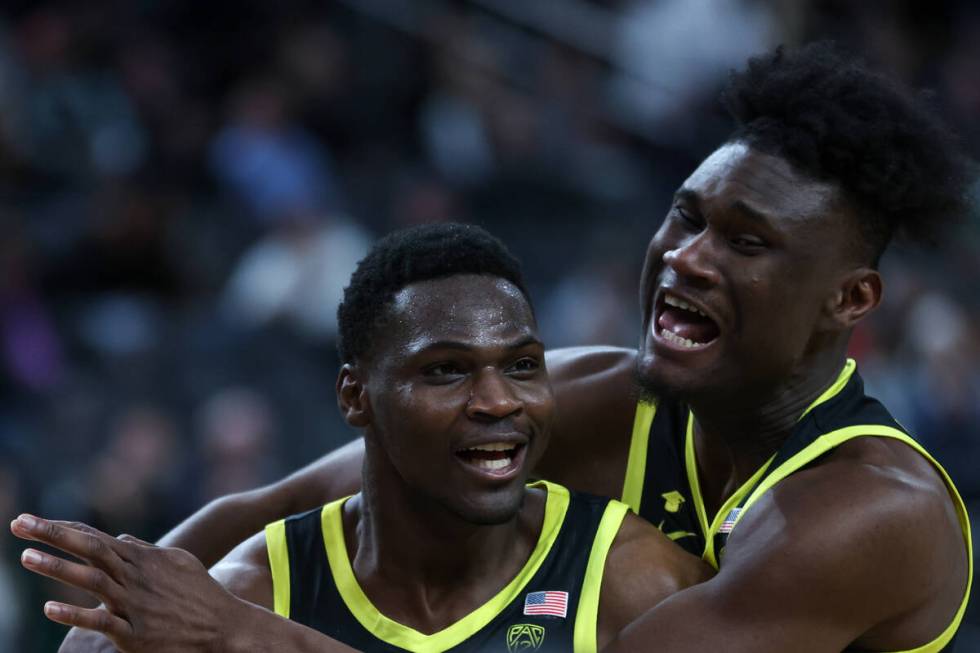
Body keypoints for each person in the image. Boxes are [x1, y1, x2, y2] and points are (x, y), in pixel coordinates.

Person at [35, 42, 976, 652]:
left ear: (849, 302)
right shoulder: (599, 398)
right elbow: (278, 503)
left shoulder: (868, 511)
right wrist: (113, 613)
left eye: (747, 242)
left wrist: (239, 636)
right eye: (686, 217)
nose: (686, 258)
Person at [13, 224, 709, 652]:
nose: (500, 400)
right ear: (355, 397)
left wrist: (247, 639)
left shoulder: (627, 576)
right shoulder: (255, 586)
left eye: (523, 365)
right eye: (446, 370)